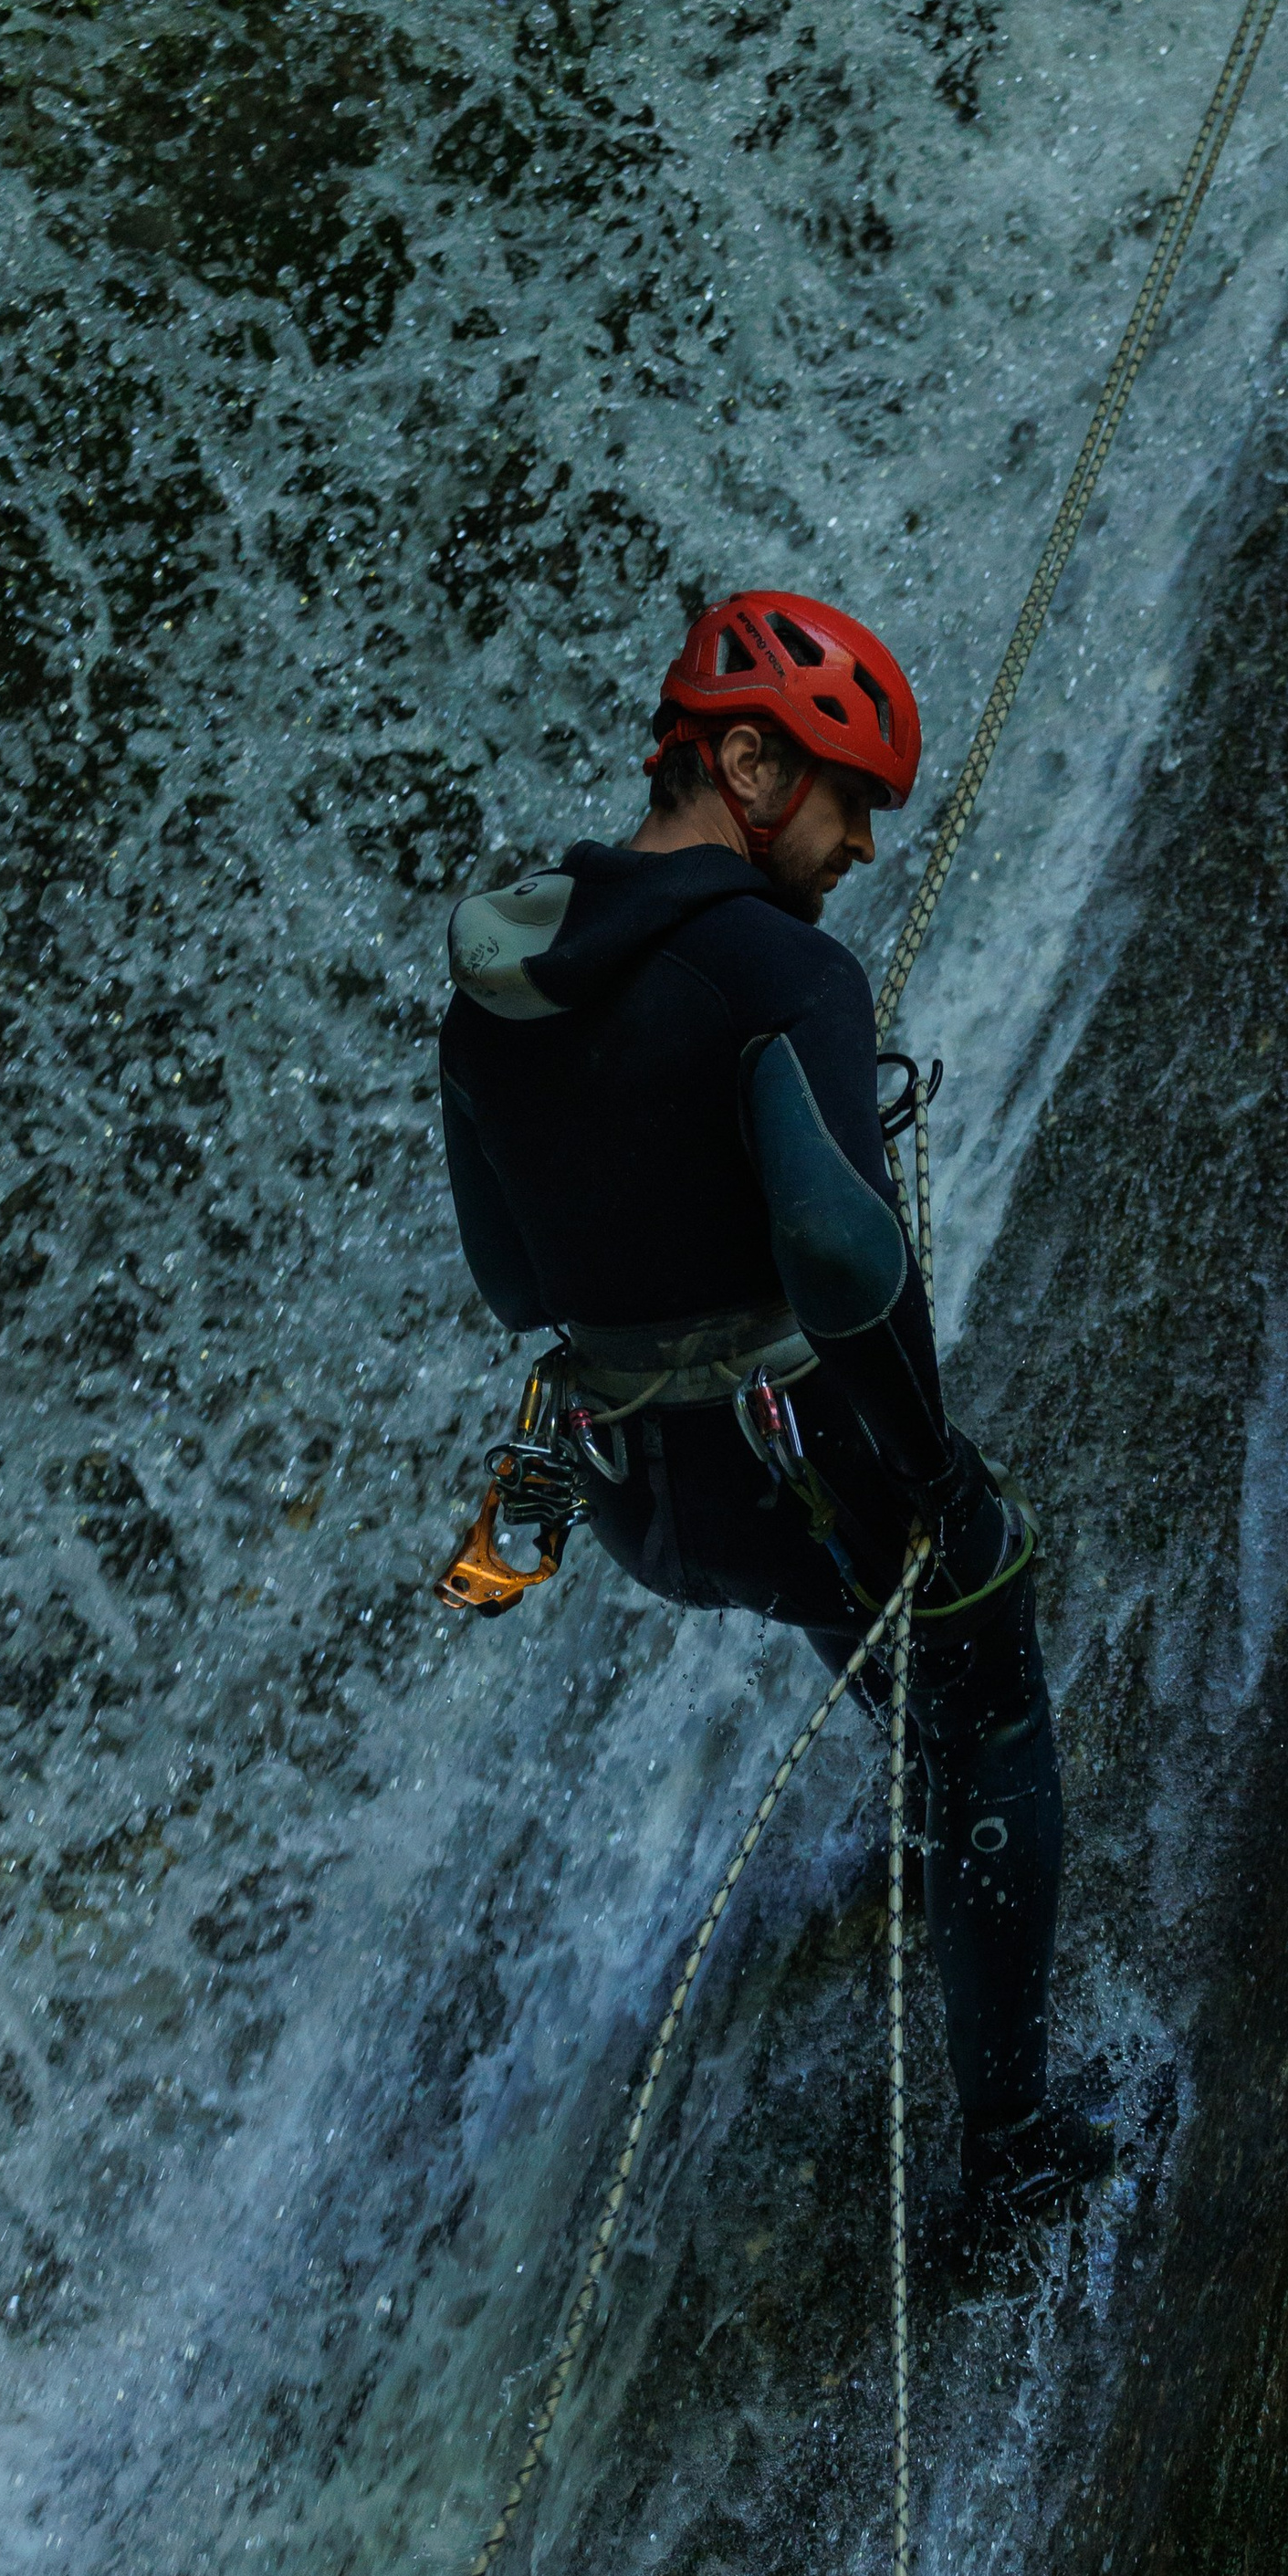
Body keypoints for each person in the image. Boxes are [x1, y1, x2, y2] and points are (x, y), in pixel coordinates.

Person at [437, 589, 1111, 2228]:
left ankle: (921, 1816)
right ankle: (1015, 2158)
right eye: (849, 797)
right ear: (746, 763)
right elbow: (832, 1251)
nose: (865, 842)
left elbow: (512, 1282)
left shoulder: (496, 987)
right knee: (987, 1676)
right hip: (807, 1468)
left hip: (651, 1504)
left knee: (850, 1596)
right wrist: (934, 1467)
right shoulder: (779, 973)